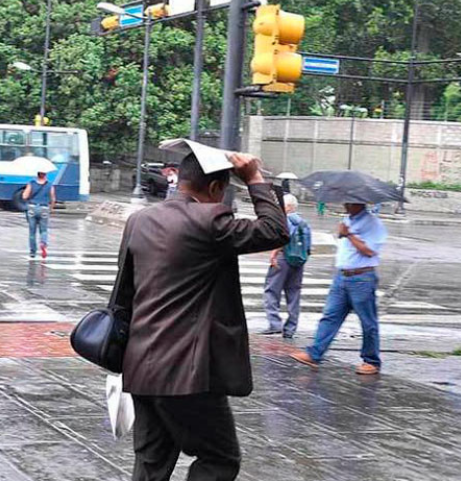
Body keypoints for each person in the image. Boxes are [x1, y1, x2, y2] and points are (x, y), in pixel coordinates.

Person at [113, 152, 288, 481]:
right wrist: (254, 179)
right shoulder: (209, 221)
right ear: (216, 188)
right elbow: (276, 231)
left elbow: (123, 295)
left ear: (180, 178)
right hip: (187, 372)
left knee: (151, 465)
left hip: (140, 365)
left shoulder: (139, 220)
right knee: (220, 459)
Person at [291, 202, 387, 375]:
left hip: (362, 278)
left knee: (368, 322)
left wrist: (349, 234)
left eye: (349, 201)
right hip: (342, 276)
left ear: (359, 202)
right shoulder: (347, 219)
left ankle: (371, 361)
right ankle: (315, 354)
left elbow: (370, 251)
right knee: (330, 316)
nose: (345, 204)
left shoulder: (373, 223)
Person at [260, 194, 311, 339]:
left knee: (271, 290)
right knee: (293, 294)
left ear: (287, 206)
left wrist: (274, 254)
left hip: (284, 258)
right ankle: (290, 328)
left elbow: (283, 237)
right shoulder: (304, 223)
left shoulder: (286, 219)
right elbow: (308, 246)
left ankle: (275, 323)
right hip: (299, 261)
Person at [22, 171, 56, 259]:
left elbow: (24, 196)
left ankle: (33, 252)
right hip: (44, 208)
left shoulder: (31, 183)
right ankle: (43, 243)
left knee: (32, 232)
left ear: (37, 174)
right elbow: (53, 198)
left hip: (32, 208)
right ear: (45, 175)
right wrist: (50, 209)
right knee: (43, 230)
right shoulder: (50, 185)